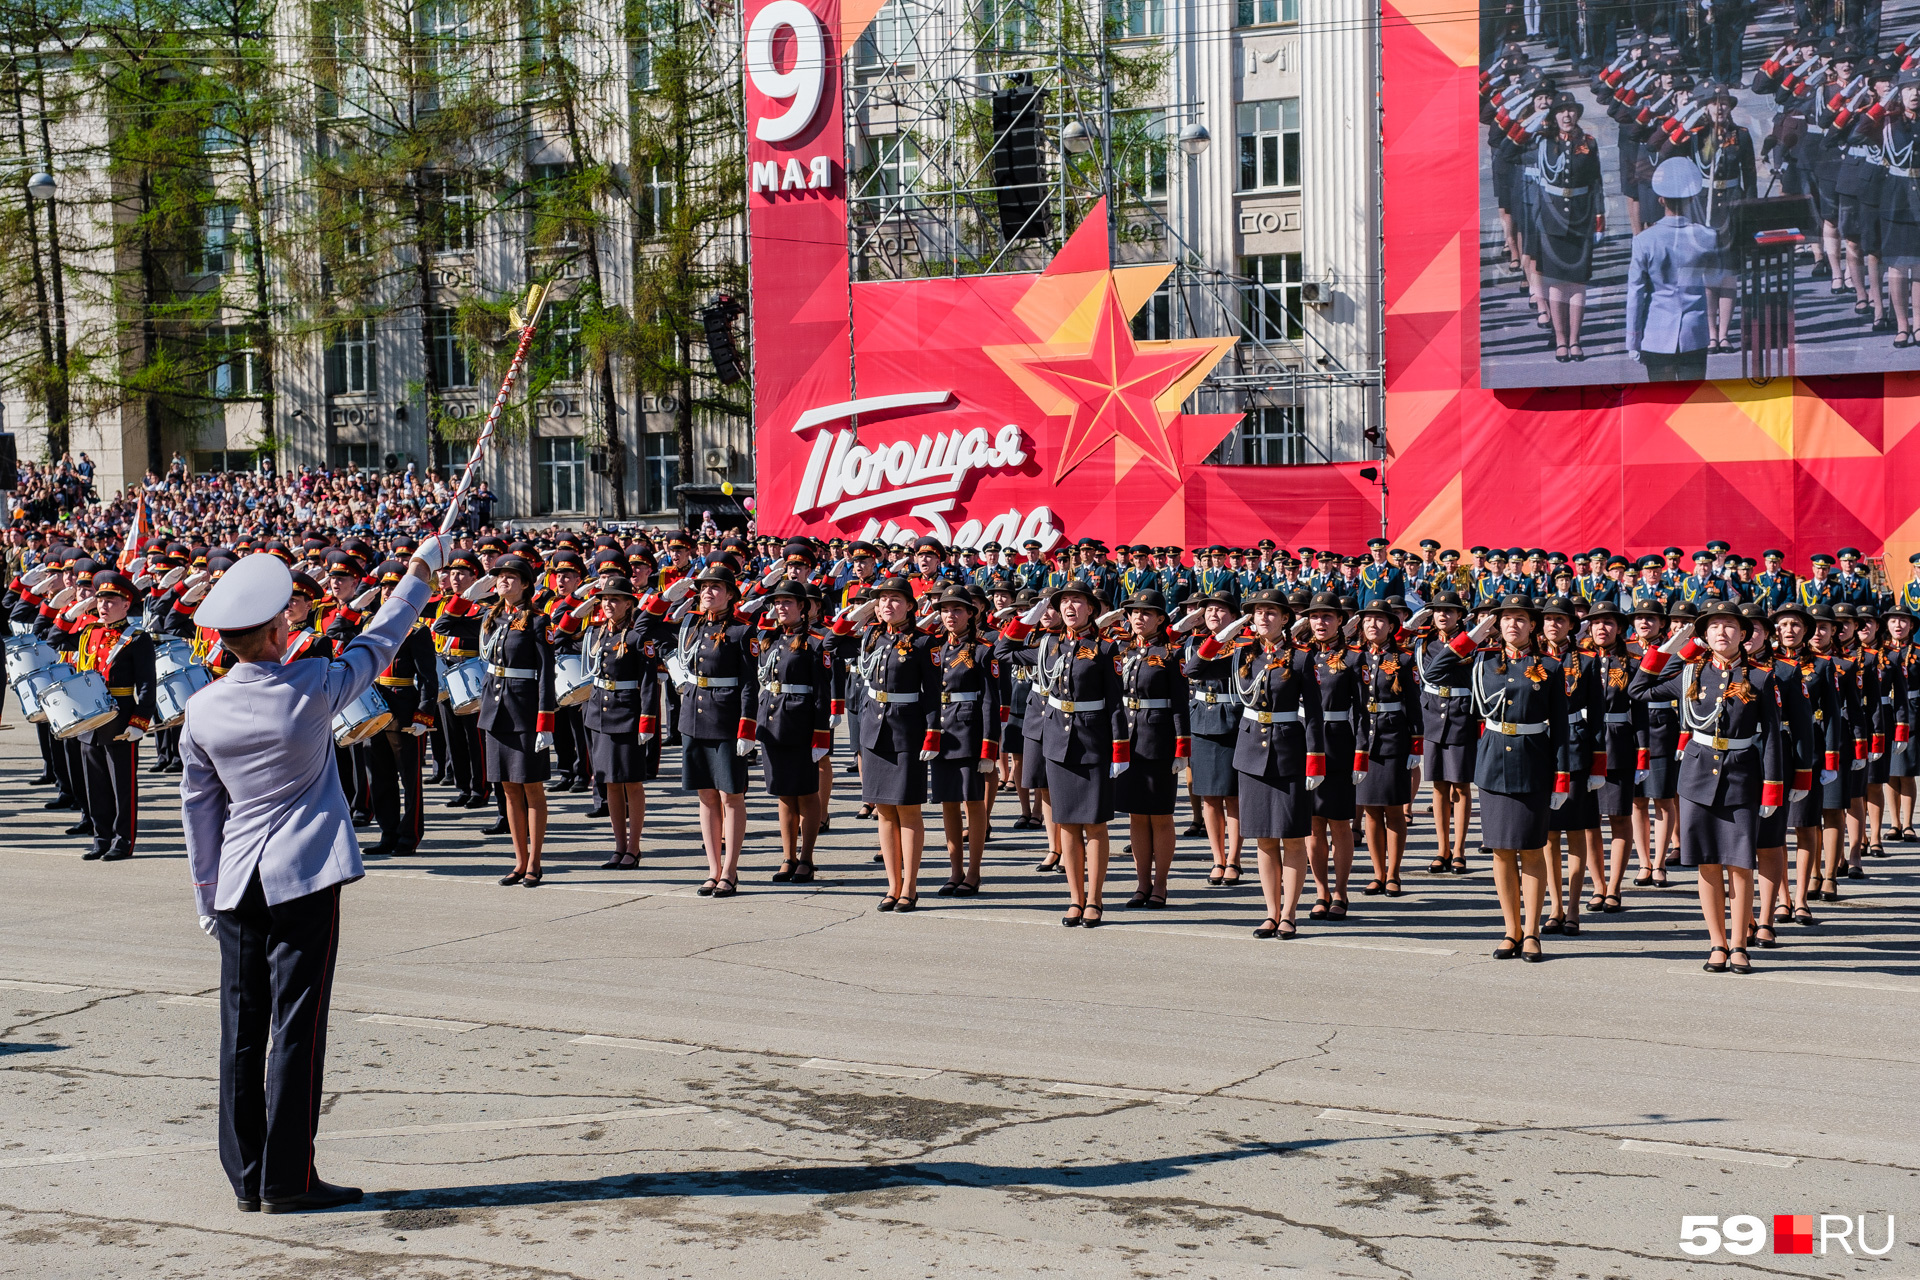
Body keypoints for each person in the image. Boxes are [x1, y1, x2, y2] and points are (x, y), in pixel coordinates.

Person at [182, 536, 447, 1214]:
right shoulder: (313, 684)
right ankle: (288, 1178)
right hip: (302, 875)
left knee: (240, 1031)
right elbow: (382, 640)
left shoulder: (204, 708)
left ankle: (246, 1176)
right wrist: (418, 575)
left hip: (238, 882)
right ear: (275, 631)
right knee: (297, 1027)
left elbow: (199, 812)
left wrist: (207, 897)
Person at [1632, 601, 1789, 974]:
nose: (1722, 632)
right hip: (1698, 776)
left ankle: (1738, 945)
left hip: (1742, 776)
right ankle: (1716, 943)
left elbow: (1771, 738)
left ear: (1743, 634)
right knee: (1707, 864)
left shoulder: (1763, 678)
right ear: (1703, 636)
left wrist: (1772, 789)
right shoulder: (1689, 674)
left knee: (1739, 864)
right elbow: (1640, 690)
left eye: (1730, 626)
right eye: (1714, 626)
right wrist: (1674, 646)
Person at [1424, 593, 1575, 962]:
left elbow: (1560, 728)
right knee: (1502, 851)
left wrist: (1562, 776)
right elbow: (1434, 672)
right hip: (1492, 762)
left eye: (1520, 618)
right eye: (1505, 618)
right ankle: (1511, 930)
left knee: (1532, 849)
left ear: (1532, 625)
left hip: (1534, 762)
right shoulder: (1481, 661)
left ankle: (1533, 932)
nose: (1512, 625)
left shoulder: (1551, 668)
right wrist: (1472, 636)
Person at [997, 581, 1127, 926]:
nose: (1069, 607)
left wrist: (1120, 749)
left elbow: (1115, 704)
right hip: (1057, 741)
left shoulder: (1105, 648)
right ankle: (1075, 898)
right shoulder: (1047, 645)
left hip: (1093, 741)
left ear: (1091, 608)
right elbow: (1002, 652)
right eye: (1063, 602)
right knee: (1066, 823)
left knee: (1095, 825)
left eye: (1077, 601)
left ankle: (1095, 900)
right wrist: (1031, 615)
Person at [576, 577, 671, 869]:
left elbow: (648, 683)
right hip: (600, 715)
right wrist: (579, 609)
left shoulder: (637, 638)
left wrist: (647, 722)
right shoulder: (597, 633)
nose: (608, 604)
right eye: (604, 599)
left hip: (628, 716)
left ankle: (634, 847)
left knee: (631, 783)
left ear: (630, 604)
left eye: (615, 599)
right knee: (610, 784)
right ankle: (618, 846)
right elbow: (564, 633)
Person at [1114, 589, 1188, 908]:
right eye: (1134, 612)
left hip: (1159, 741)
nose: (1139, 617)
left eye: (1147, 613)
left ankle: (1160, 885)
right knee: (1136, 816)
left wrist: (1182, 746)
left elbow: (1180, 703)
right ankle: (1141, 883)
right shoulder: (1121, 649)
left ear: (1160, 619)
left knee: (1160, 815)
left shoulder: (1172, 653)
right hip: (1130, 741)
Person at [755, 579, 833, 882]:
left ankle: (807, 858)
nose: (781, 607)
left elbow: (822, 692)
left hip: (801, 723)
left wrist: (820, 734)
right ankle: (787, 856)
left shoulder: (816, 641)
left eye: (788, 602)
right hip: (772, 720)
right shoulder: (769, 638)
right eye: (777, 603)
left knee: (807, 792)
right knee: (784, 793)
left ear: (803, 607)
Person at [925, 586, 1001, 895]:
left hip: (969, 733)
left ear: (972, 613)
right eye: (945, 610)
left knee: (973, 803)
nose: (950, 615)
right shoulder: (936, 648)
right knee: (948, 804)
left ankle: (973, 872)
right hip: (944, 734)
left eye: (957, 609)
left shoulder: (983, 649)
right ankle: (954, 870)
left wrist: (988, 746)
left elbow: (990, 701)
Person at [1625, 156, 1718, 380]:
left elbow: (1636, 294)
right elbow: (1714, 285)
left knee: (1663, 405)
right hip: (1694, 332)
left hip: (1656, 333)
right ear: (1691, 198)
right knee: (1692, 403)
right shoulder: (1707, 236)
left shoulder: (1644, 240)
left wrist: (1633, 340)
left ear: (1661, 200)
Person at [1180, 591, 1247, 886]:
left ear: (1234, 616)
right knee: (1208, 797)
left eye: (1221, 610)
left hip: (1231, 719)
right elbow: (1189, 671)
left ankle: (1234, 859)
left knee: (1232, 797)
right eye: (1208, 610)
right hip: (1201, 720)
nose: (1214, 615)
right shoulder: (1193, 643)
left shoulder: (1244, 645)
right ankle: (1217, 858)